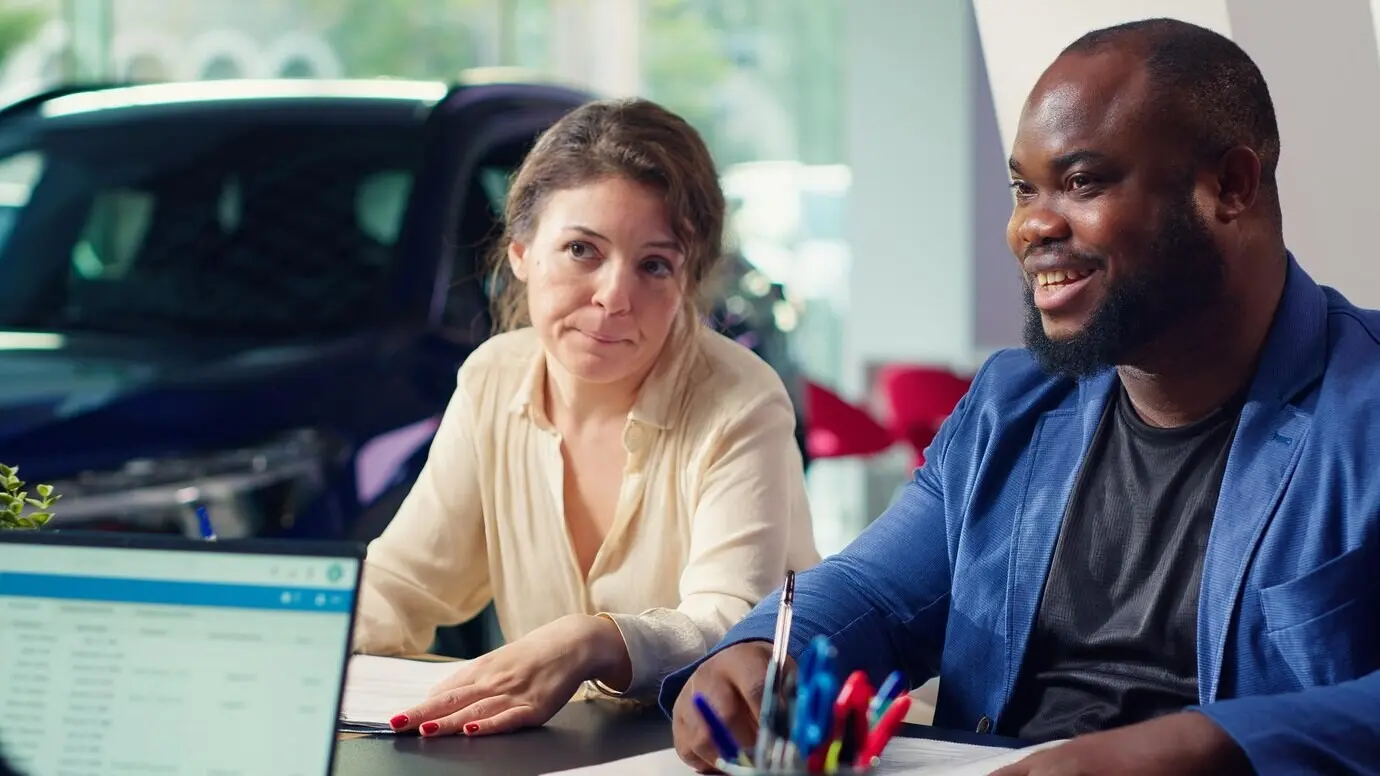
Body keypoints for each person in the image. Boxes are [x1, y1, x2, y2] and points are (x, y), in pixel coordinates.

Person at [664, 18, 1380, 776]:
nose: (1030, 226)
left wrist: (1211, 743)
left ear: (1228, 188)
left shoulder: (1361, 404)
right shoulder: (1014, 402)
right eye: (1023, 188)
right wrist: (754, 653)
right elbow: (874, 590)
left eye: (1081, 182)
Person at [354, 98, 819, 737]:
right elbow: (404, 583)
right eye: (581, 249)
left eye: (655, 264)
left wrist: (592, 640)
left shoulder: (740, 399)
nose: (614, 297)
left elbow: (732, 626)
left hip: (728, 749)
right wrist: (297, 635)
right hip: (557, 752)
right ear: (520, 251)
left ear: (688, 281)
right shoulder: (493, 378)